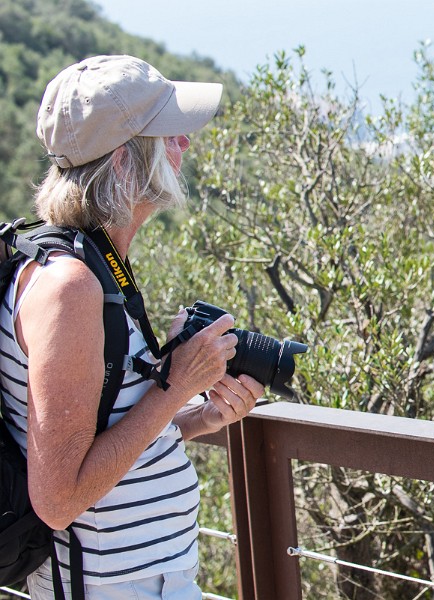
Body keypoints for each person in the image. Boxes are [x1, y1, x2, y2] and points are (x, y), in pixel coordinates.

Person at [0, 55, 264, 599]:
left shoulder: (86, 264)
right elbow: (58, 496)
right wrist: (174, 388)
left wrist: (194, 418)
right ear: (124, 163)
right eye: (168, 135)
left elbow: (94, 436)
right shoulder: (71, 288)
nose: (184, 145)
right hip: (111, 585)